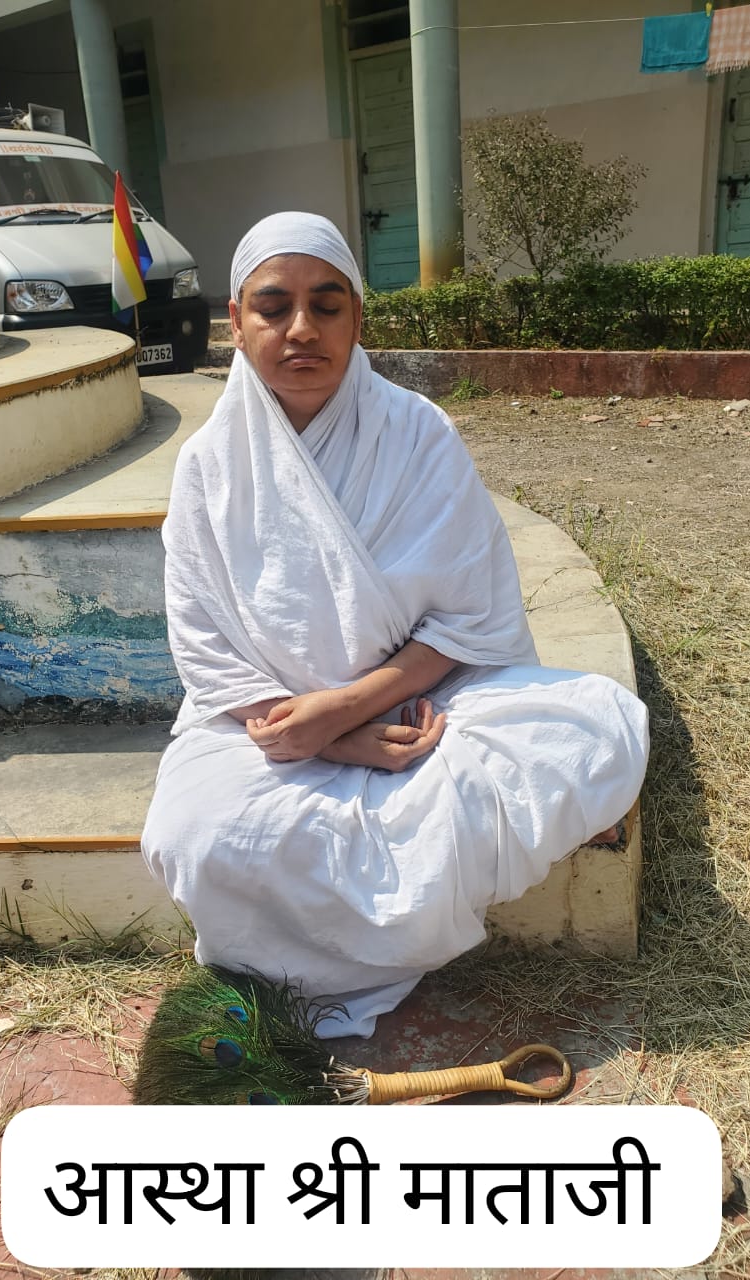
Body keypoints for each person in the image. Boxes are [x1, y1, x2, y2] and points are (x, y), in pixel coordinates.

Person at [141, 212, 649, 1038]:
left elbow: (467, 615)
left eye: (326, 305)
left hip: (424, 703)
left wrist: (352, 708)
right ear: (235, 321)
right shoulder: (207, 466)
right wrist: (324, 737)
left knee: (598, 731)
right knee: (194, 833)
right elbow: (205, 645)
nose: (301, 330)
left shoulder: (418, 433)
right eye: (273, 307)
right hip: (268, 725)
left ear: (357, 318)